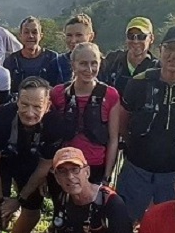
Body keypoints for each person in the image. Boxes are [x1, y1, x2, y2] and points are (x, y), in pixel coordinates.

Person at [117, 26, 175, 221]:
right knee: (123, 220)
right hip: (137, 168)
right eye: (170, 48)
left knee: (167, 225)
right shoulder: (139, 82)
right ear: (161, 50)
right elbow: (122, 121)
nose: (174, 56)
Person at [0, 77, 66, 233]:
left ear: (48, 106)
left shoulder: (55, 123)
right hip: (2, 161)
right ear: (16, 101)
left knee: (32, 213)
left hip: (33, 163)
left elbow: (44, 167)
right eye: (24, 105)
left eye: (37, 107)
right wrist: (0, 200)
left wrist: (19, 200)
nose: (30, 113)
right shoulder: (1, 116)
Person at [49, 43, 121, 185]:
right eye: (83, 64)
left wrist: (107, 176)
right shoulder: (58, 93)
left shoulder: (110, 95)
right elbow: (49, 134)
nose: (89, 69)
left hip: (95, 166)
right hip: (64, 165)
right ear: (73, 65)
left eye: (94, 63)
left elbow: (113, 139)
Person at [99, 16, 158, 95]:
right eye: (131, 36)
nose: (135, 41)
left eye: (141, 37)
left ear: (151, 38)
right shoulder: (112, 60)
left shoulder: (156, 68)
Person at [4, 16, 59, 89]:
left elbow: (58, 88)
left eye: (34, 32)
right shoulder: (11, 61)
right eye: (26, 32)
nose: (30, 36)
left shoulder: (52, 58)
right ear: (20, 35)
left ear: (41, 36)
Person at [46, 14, 96, 86]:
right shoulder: (57, 64)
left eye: (79, 35)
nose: (73, 40)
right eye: (69, 35)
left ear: (91, 36)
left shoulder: (103, 64)